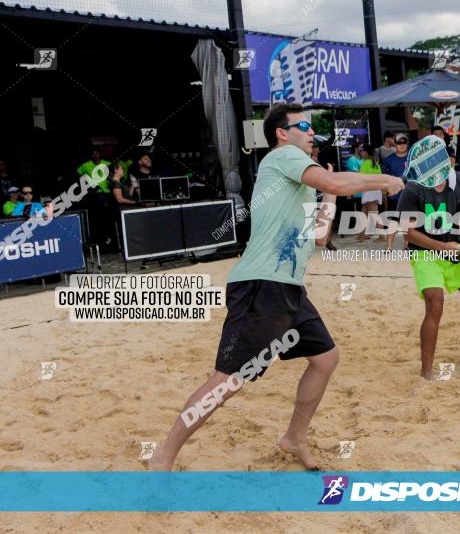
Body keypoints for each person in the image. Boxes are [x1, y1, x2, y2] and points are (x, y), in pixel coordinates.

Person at [148, 103, 404, 471]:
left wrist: (329, 197)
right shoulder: (282, 157)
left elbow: (318, 236)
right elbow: (334, 181)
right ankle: (164, 455)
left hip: (289, 289)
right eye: (303, 125)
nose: (311, 131)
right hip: (261, 285)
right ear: (282, 134)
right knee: (228, 382)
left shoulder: (297, 181)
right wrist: (382, 180)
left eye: (312, 127)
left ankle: (294, 438)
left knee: (326, 359)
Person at [396, 163, 460, 380]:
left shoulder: (459, 181)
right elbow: (408, 234)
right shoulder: (413, 188)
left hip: (454, 249)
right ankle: (426, 372)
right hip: (424, 253)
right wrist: (443, 247)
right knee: (435, 305)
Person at [382, 134, 409, 250]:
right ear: (395, 143)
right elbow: (384, 179)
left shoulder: (412, 159)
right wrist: (385, 193)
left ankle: (407, 245)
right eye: (399, 143)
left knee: (407, 221)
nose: (402, 145)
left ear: (407, 143)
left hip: (409, 196)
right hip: (394, 197)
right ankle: (389, 247)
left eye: (404, 142)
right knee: (392, 222)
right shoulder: (389, 160)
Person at [357, 145, 383, 241]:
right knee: (364, 212)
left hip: (369, 191)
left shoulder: (365, 164)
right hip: (375, 191)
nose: (360, 152)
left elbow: (360, 178)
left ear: (367, 153)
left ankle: (381, 236)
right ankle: (361, 234)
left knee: (374, 214)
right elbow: (381, 178)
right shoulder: (376, 164)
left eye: (362, 150)